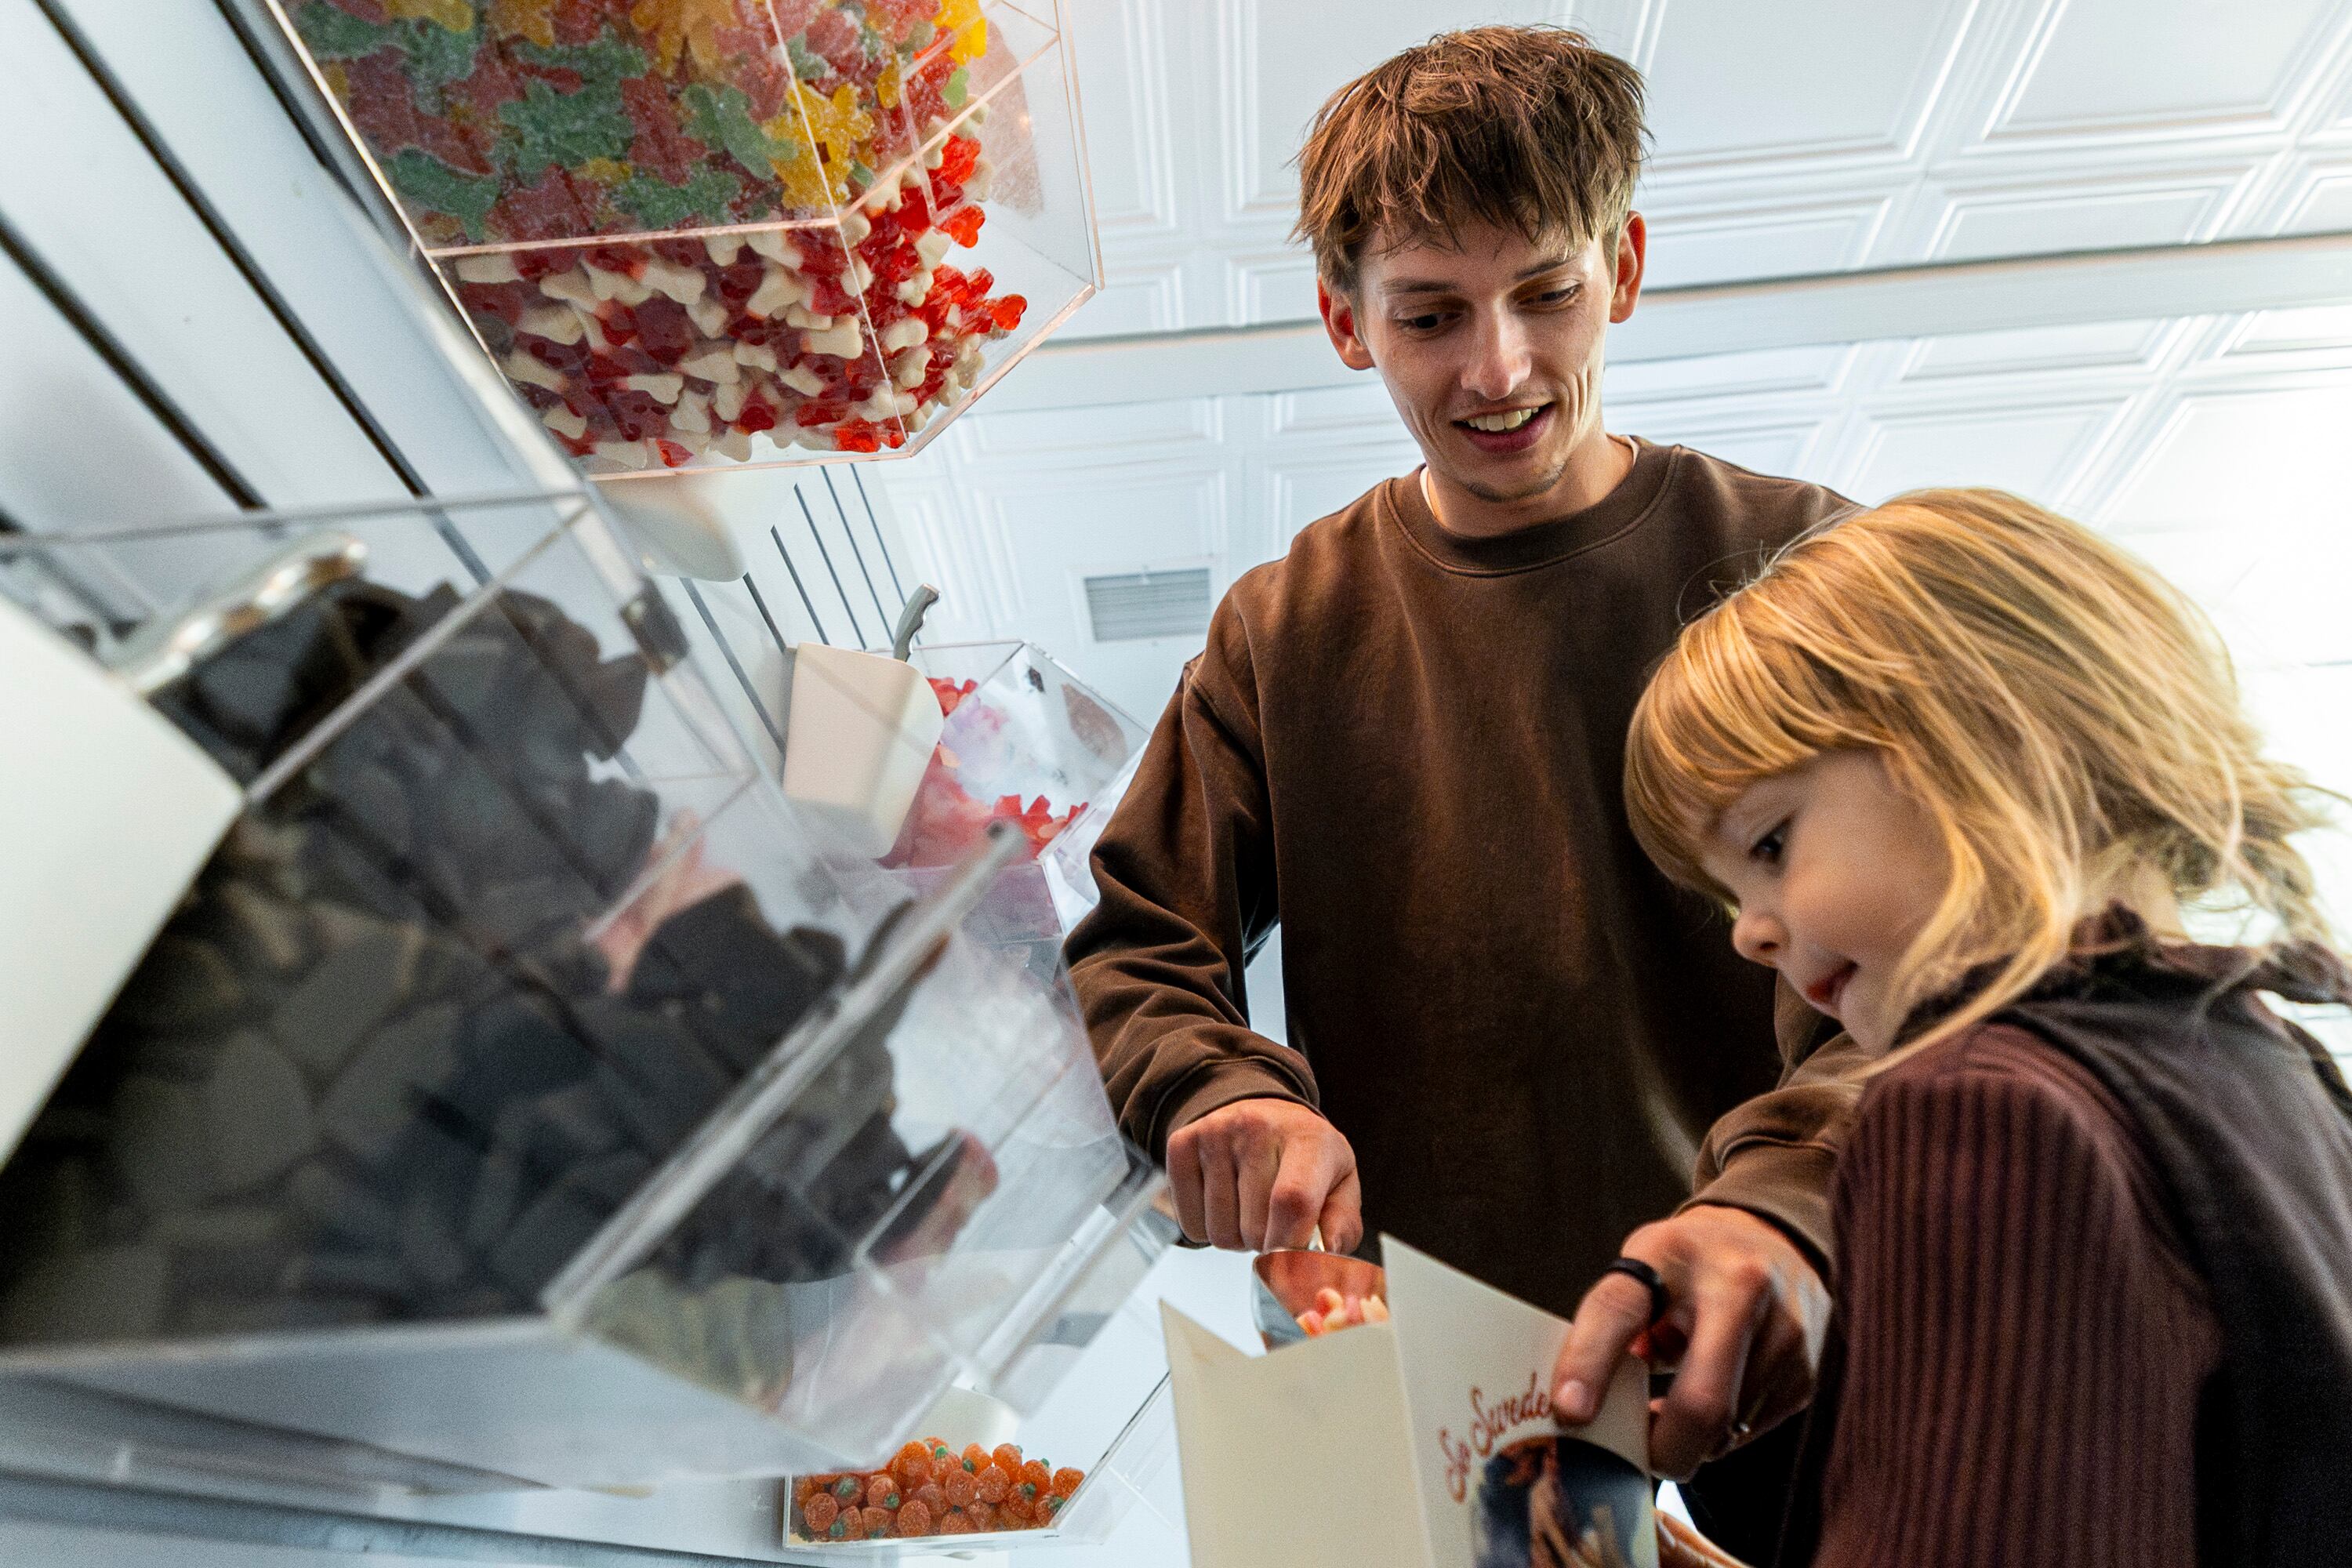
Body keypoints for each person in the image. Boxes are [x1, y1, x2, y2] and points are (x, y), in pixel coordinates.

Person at [1065, 27, 1862, 1552]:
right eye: (1431, 314)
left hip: (1781, 1320)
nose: (1498, 369)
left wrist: (1781, 1199)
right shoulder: (1279, 628)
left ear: (1623, 269)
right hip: (1416, 1358)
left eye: (1546, 293)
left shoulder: (1807, 565)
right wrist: (1222, 1090)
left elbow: (1958, 965)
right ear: (1344, 323)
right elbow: (1138, 944)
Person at [1566, 488, 2352, 1566]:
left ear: (1984, 733)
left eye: (1769, 845)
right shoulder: (2277, 1061)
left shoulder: (1976, 1105)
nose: (1752, 936)